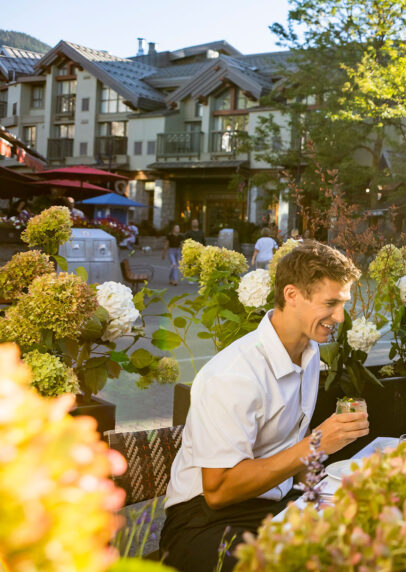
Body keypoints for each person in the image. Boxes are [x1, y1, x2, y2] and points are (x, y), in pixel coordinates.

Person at [161, 242, 367, 571]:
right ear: (292, 295)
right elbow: (218, 491)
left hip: (272, 506)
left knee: (363, 543)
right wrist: (314, 445)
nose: (340, 317)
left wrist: (322, 490)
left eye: (342, 304)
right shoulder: (234, 375)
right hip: (204, 522)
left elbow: (286, 449)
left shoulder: (309, 354)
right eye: (330, 303)